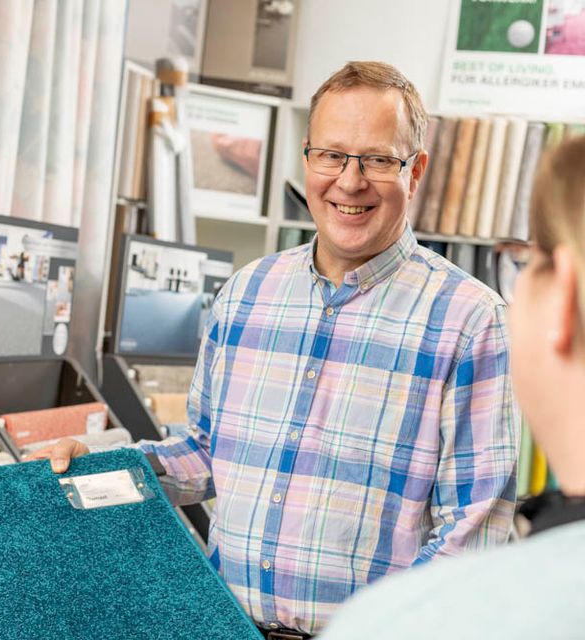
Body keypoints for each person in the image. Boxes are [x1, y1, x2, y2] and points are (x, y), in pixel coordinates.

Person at [31, 62, 519, 637]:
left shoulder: (472, 320)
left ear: (416, 171)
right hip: (226, 626)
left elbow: (473, 532)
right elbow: (209, 454)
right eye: (331, 155)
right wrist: (108, 465)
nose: (350, 180)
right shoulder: (246, 294)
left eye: (379, 159)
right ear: (308, 160)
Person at [318, 134, 585, 640]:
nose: (350, 180)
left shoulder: (413, 622)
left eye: (528, 265)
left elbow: (472, 521)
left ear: (562, 295)